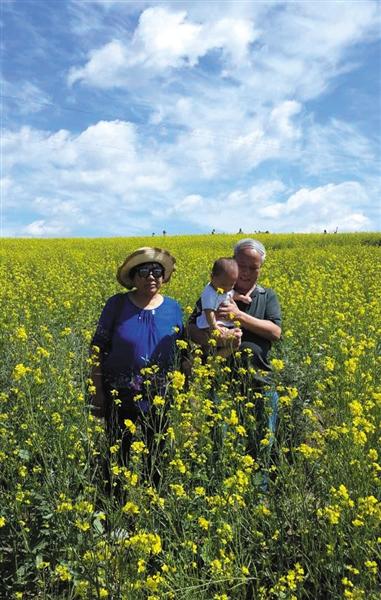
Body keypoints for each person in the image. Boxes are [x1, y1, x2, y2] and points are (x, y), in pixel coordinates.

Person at [90, 247, 183, 485]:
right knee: (117, 455)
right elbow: (97, 347)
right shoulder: (117, 304)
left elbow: (183, 350)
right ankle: (114, 511)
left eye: (156, 271)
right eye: (143, 271)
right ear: (132, 277)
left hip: (161, 396)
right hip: (119, 395)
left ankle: (152, 506)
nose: (151, 276)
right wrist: (97, 391)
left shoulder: (173, 308)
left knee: (157, 456)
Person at [187, 239, 281, 464]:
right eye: (242, 266)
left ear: (261, 268)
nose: (247, 273)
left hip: (259, 384)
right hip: (219, 384)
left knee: (261, 445)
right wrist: (217, 337)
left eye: (253, 267)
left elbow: (275, 332)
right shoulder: (215, 292)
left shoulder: (266, 296)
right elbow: (190, 329)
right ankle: (219, 490)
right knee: (219, 443)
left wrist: (239, 316)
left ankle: (259, 495)